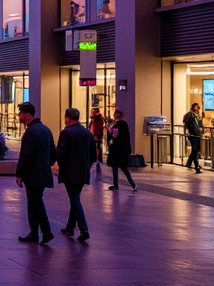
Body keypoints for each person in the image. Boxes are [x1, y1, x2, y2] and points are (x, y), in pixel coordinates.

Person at [14, 101, 55, 244]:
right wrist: (45, 164)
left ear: (27, 115)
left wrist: (19, 174)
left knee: (35, 202)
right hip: (43, 173)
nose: (18, 116)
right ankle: (34, 233)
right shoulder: (46, 130)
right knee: (34, 202)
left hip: (33, 174)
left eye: (20, 113)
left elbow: (25, 155)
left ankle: (46, 231)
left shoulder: (30, 132)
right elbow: (53, 154)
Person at [55, 107, 98, 241]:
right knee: (75, 197)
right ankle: (70, 227)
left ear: (67, 117)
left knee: (74, 199)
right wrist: (87, 165)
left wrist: (57, 165)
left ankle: (84, 229)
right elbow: (93, 154)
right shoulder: (87, 133)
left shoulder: (66, 133)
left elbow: (61, 153)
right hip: (82, 171)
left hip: (69, 171)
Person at [106, 109, 137, 192]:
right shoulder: (114, 124)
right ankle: (117, 185)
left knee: (122, 168)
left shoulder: (122, 125)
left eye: (117, 116)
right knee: (116, 168)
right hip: (116, 150)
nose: (116, 117)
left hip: (119, 150)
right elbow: (111, 136)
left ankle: (132, 184)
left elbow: (124, 137)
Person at [183, 102, 204, 173]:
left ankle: (195, 165)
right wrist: (199, 130)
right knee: (195, 149)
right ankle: (191, 164)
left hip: (195, 134)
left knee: (195, 150)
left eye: (198, 107)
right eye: (196, 107)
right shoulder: (191, 115)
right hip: (194, 135)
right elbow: (193, 125)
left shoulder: (196, 116)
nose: (197, 109)